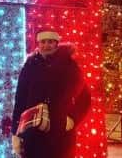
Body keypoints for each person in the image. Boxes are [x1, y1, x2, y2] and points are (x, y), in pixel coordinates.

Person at [12, 30, 91, 158]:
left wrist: (72, 119)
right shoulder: (30, 65)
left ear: (56, 43)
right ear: (38, 44)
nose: (46, 45)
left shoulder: (70, 66)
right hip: (33, 131)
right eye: (43, 42)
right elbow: (20, 100)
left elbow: (85, 98)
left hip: (60, 131)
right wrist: (16, 133)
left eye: (50, 42)